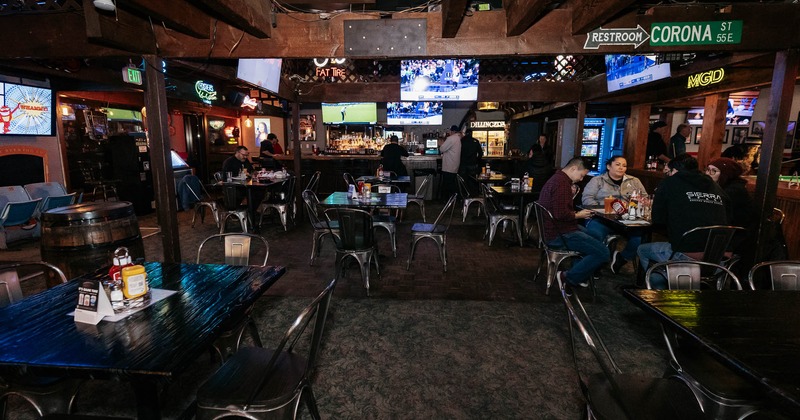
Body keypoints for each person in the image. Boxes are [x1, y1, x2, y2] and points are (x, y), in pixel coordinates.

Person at [636, 153, 730, 289]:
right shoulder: (715, 186)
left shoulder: (670, 182)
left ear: (675, 171)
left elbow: (658, 219)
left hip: (686, 254)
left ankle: (659, 291)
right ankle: (673, 283)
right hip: (718, 258)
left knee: (642, 250)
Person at [539, 157, 610, 291]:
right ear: (573, 169)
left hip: (555, 229)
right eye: (581, 175)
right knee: (603, 253)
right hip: (559, 234)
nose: (581, 179)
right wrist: (579, 215)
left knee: (595, 236)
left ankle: (580, 273)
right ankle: (568, 278)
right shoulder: (561, 184)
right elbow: (561, 215)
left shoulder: (557, 179)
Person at [581, 156, 647, 273]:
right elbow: (587, 200)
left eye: (624, 165)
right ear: (608, 166)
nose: (621, 168)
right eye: (618, 164)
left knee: (639, 237)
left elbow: (645, 198)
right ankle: (591, 266)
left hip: (626, 220)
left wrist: (639, 203)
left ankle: (622, 258)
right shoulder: (598, 180)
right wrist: (605, 208)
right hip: (601, 219)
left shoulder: (634, 181)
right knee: (594, 235)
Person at [706, 157, 753, 229]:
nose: (708, 173)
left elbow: (718, 212)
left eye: (713, 171)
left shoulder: (734, 190)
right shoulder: (720, 186)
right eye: (708, 169)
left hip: (735, 232)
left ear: (725, 174)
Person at [440, 125, 462, 200]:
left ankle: (449, 199)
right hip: (455, 164)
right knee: (452, 182)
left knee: (448, 183)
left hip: (449, 165)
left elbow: (442, 149)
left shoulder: (451, 138)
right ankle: (455, 198)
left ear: (452, 131)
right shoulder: (458, 138)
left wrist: (441, 144)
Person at [459, 129, 483, 194]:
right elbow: (480, 153)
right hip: (473, 164)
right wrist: (477, 160)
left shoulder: (462, 141)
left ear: (465, 133)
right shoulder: (475, 141)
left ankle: (464, 194)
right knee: (473, 179)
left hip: (463, 164)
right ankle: (473, 194)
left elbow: (458, 152)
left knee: (463, 180)